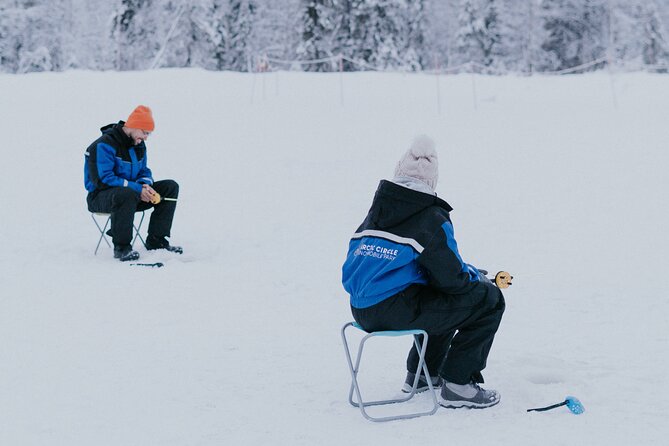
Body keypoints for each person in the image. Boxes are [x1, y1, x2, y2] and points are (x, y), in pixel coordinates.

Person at [341, 135, 505, 409]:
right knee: (489, 299)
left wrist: (463, 274)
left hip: (360, 307)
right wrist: (477, 277)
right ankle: (457, 384)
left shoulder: (377, 213)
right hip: (392, 309)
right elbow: (453, 281)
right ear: (432, 182)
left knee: (439, 297)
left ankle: (421, 375)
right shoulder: (430, 217)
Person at [84, 105, 182, 261]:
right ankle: (122, 248)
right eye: (145, 132)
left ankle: (157, 241)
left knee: (170, 187)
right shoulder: (103, 145)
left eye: (148, 134)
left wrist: (145, 185)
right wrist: (137, 189)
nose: (146, 137)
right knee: (126, 193)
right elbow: (103, 179)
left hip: (131, 196)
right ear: (134, 126)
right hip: (100, 197)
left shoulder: (138, 145)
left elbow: (144, 170)